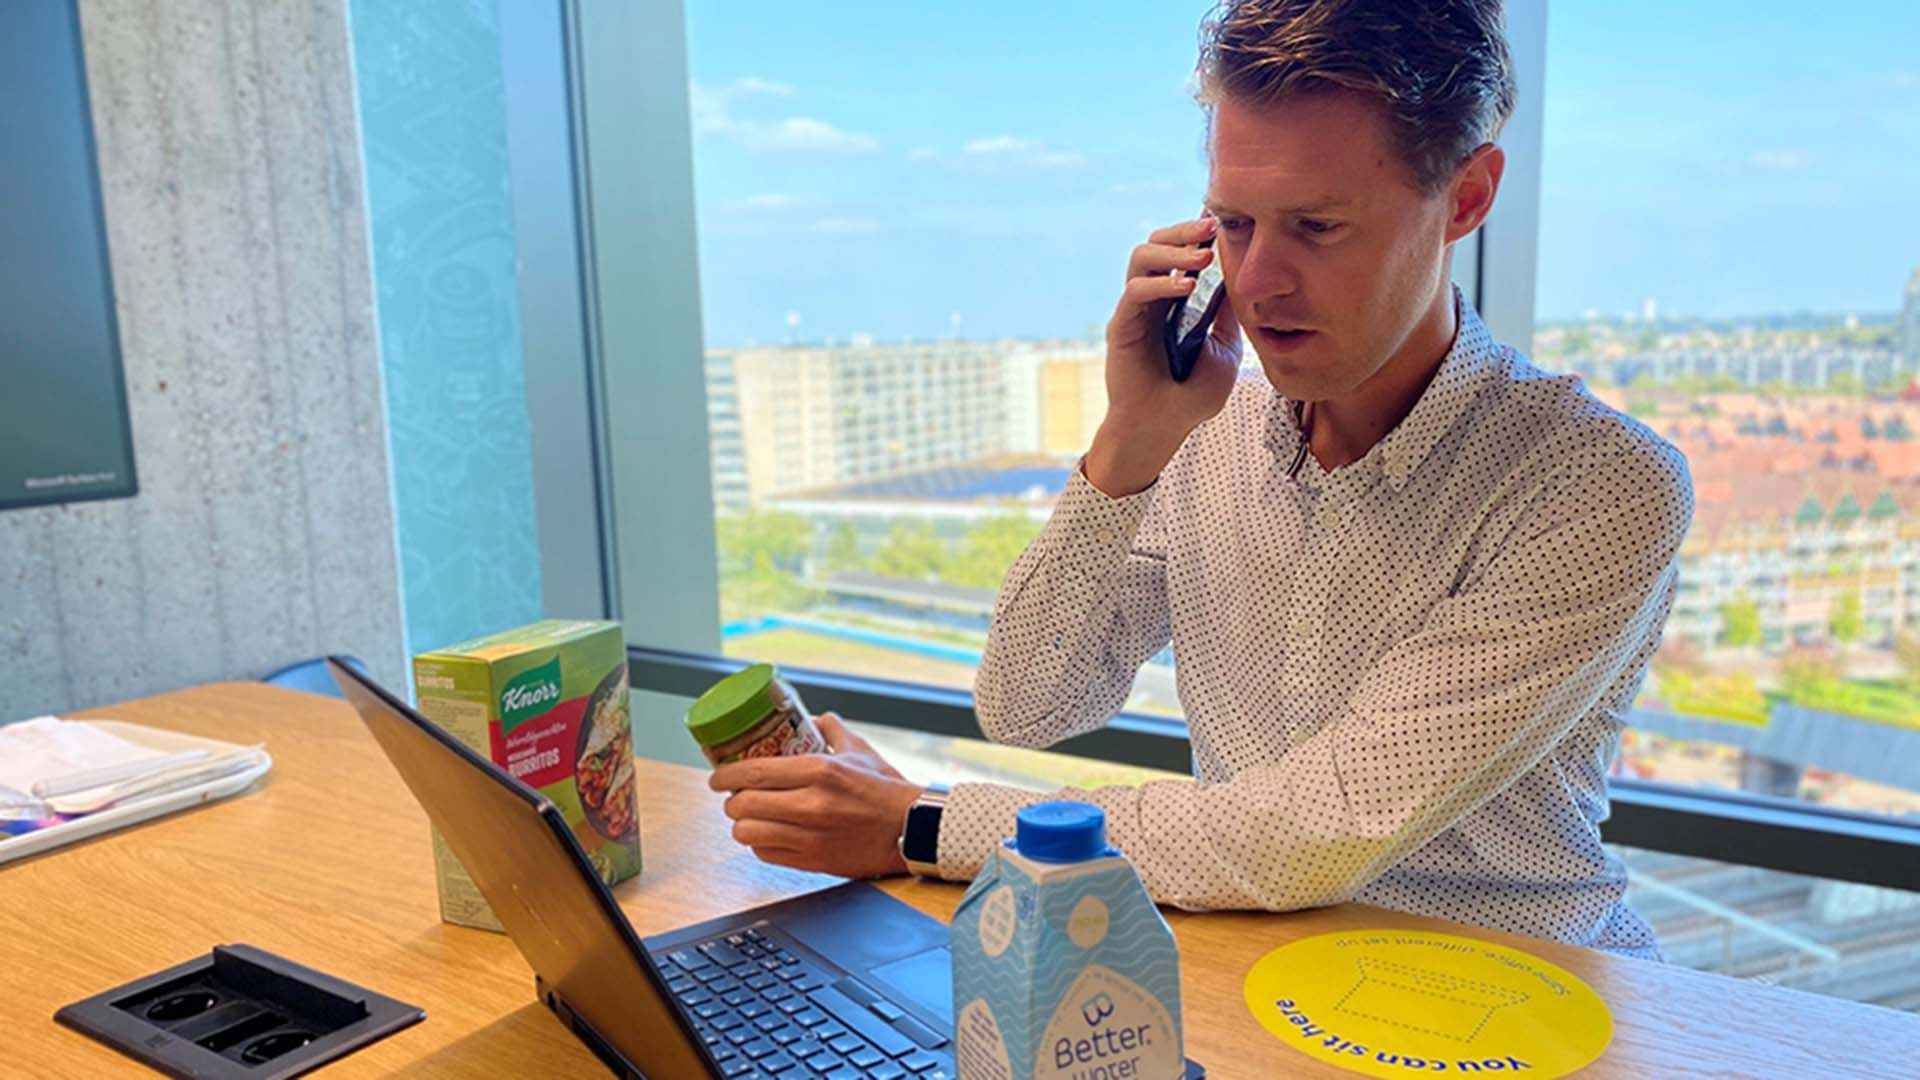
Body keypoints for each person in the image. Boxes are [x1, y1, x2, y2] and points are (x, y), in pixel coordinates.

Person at [710, 0, 1691, 959]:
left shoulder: (1599, 486)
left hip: (1526, 1002)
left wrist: (920, 825)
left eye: (1316, 226)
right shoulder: (1205, 431)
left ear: (1467, 198)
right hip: (1259, 976)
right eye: (1233, 222)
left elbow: (1314, 829)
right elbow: (1028, 706)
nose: (1258, 280)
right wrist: (1132, 438)